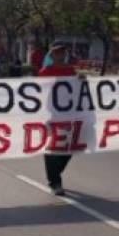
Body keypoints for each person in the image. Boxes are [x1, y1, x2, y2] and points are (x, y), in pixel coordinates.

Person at [39, 44, 78, 195]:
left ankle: (55, 172)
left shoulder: (70, 70)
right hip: (51, 115)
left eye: (62, 51)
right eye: (56, 52)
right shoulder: (45, 72)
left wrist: (81, 80)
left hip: (69, 114)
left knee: (70, 148)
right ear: (51, 54)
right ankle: (55, 182)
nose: (60, 54)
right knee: (52, 148)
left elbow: (76, 91)